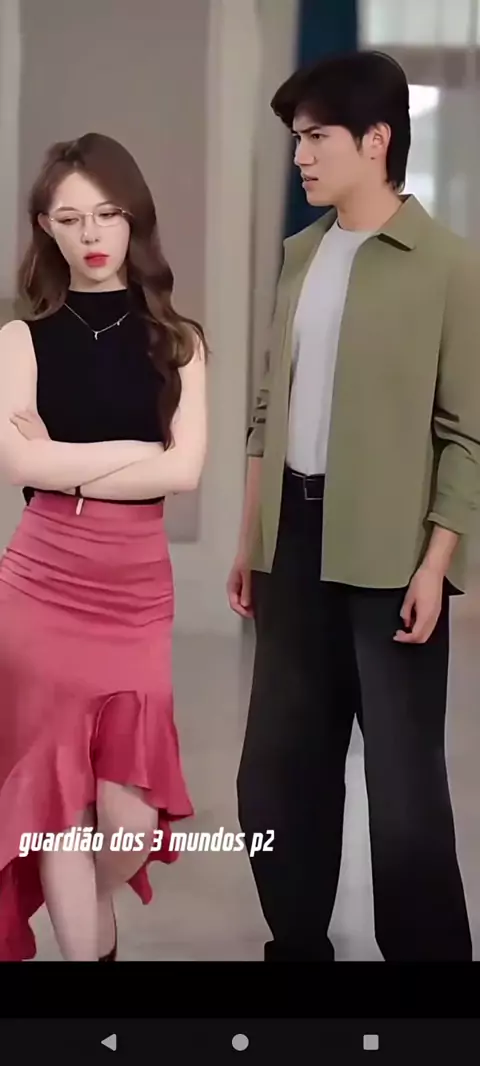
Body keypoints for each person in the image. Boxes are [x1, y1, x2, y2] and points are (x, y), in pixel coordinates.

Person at [228, 50, 480, 961]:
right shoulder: (300, 256)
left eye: (316, 137)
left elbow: (467, 433)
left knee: (405, 794)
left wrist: (437, 564)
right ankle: (297, 949)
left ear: (377, 140)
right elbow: (270, 407)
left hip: (390, 558)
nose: (300, 156)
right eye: (296, 139)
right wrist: (251, 538)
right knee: (276, 775)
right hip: (293, 541)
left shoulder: (448, 266)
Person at [0, 132, 207, 961]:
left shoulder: (178, 340)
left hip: (134, 591)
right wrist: (136, 455)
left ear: (133, 219)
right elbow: (20, 465)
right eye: (70, 218)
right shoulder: (21, 340)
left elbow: (184, 472)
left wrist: (68, 460)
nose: (91, 234)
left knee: (128, 822)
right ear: (45, 228)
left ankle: (95, 920)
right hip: (41, 583)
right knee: (55, 806)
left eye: (108, 214)